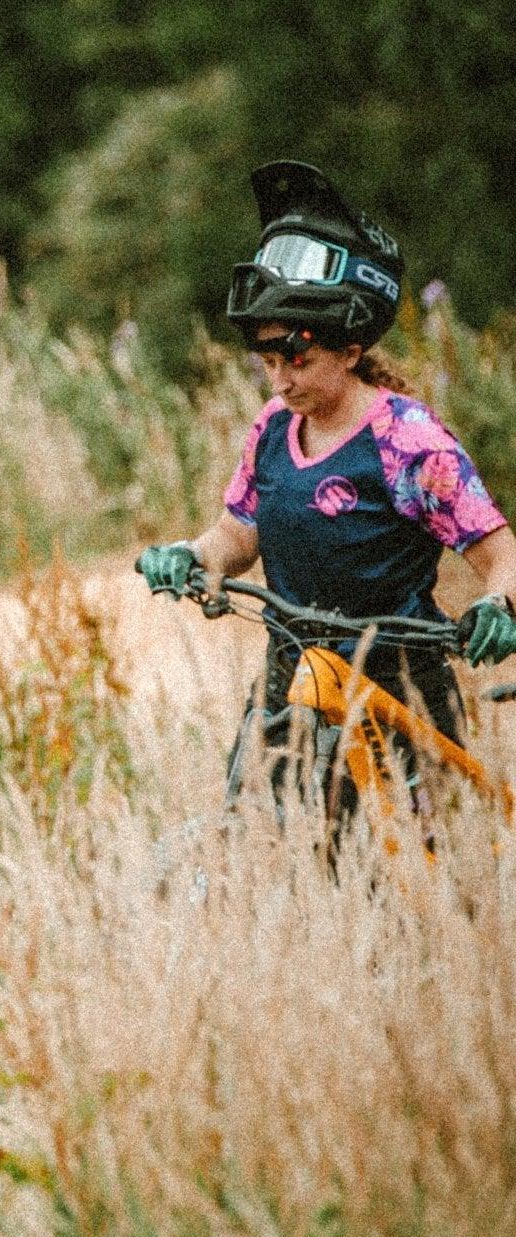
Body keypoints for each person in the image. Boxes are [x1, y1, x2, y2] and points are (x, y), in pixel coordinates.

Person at [137, 161, 516, 800]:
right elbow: (238, 534)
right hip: (294, 680)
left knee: (402, 877)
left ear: (349, 349)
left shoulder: (406, 439)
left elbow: (501, 554)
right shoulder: (272, 429)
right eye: (267, 362)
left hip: (397, 688)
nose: (280, 380)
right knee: (262, 851)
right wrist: (192, 555)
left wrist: (499, 606)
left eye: (297, 359)